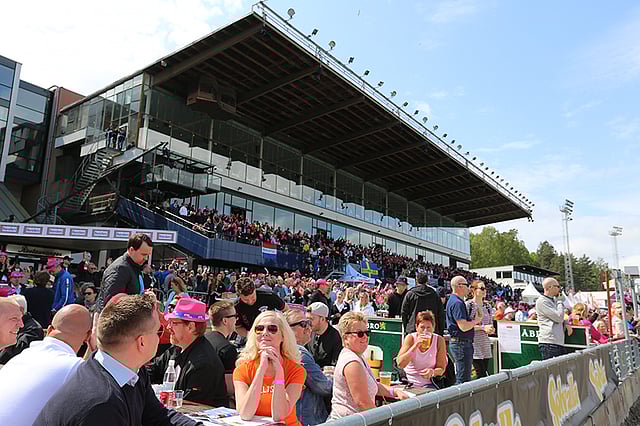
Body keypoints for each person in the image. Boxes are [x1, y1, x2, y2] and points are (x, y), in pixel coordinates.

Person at [34, 293, 200, 426]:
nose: (161, 336)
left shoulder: (132, 372)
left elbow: (158, 417)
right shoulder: (102, 404)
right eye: (159, 331)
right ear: (141, 342)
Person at [0, 305, 92, 426]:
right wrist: (93, 350)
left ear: (49, 330)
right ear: (88, 336)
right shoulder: (76, 369)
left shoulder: (23, 356)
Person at [148, 297, 228, 407]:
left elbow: (189, 405)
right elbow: (153, 371)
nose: (168, 327)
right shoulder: (176, 349)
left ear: (191, 327)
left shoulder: (204, 363)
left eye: (174, 323)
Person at [328, 312, 408, 420]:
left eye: (367, 333)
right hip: (349, 421)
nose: (365, 337)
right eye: (360, 334)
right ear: (346, 338)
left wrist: (394, 391)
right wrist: (384, 420)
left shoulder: (358, 356)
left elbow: (373, 385)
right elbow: (363, 402)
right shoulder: (352, 362)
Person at [233, 311, 306, 426]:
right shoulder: (243, 369)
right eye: (259, 329)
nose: (264, 333)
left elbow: (279, 416)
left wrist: (279, 373)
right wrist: (261, 369)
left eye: (272, 329)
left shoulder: (296, 370)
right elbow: (245, 414)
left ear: (283, 336)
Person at [284, 308, 332, 425]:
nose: (308, 328)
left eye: (309, 323)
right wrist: (336, 378)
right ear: (287, 329)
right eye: (303, 324)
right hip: (305, 420)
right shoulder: (299, 353)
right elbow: (323, 387)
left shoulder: (285, 350)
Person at [95, 232, 154, 311]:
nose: (146, 258)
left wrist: (143, 295)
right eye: (143, 254)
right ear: (131, 250)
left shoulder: (133, 266)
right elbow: (112, 303)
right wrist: (141, 300)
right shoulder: (120, 269)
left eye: (148, 255)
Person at [395, 310, 447, 388]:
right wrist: (416, 345)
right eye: (422, 327)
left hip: (430, 383)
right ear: (416, 327)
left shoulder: (439, 340)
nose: (425, 331)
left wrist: (432, 372)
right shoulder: (410, 338)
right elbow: (400, 364)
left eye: (428, 328)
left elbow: (441, 369)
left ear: (433, 328)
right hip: (409, 382)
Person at [446, 276, 480, 384]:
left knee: (463, 376)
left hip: (459, 343)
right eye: (466, 285)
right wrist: (476, 321)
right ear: (460, 286)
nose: (468, 288)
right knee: (463, 379)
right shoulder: (457, 303)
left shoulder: (454, 301)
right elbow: (463, 327)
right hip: (461, 343)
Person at [0, 295, 44, 364]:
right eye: (14, 318)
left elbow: (16, 351)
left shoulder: (34, 329)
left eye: (20, 318)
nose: (21, 325)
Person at [465, 280, 494, 378]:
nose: (484, 290)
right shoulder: (469, 305)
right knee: (480, 374)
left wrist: (491, 329)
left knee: (483, 374)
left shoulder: (488, 306)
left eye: (485, 288)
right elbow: (465, 326)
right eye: (481, 288)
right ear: (473, 290)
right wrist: (482, 328)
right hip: (473, 344)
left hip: (485, 344)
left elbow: (490, 323)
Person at [536, 278, 569, 360]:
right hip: (549, 343)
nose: (559, 289)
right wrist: (560, 302)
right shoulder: (542, 301)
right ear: (550, 287)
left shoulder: (553, 300)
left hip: (556, 342)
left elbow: (562, 315)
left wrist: (567, 323)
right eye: (557, 286)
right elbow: (559, 317)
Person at [205, 301, 239, 373]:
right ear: (225, 321)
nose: (237, 319)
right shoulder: (227, 349)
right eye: (235, 316)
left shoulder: (201, 339)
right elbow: (229, 378)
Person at [306, 302, 343, 368]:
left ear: (322, 319)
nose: (308, 323)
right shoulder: (309, 332)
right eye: (307, 319)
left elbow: (334, 365)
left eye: (311, 319)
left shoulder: (335, 338)